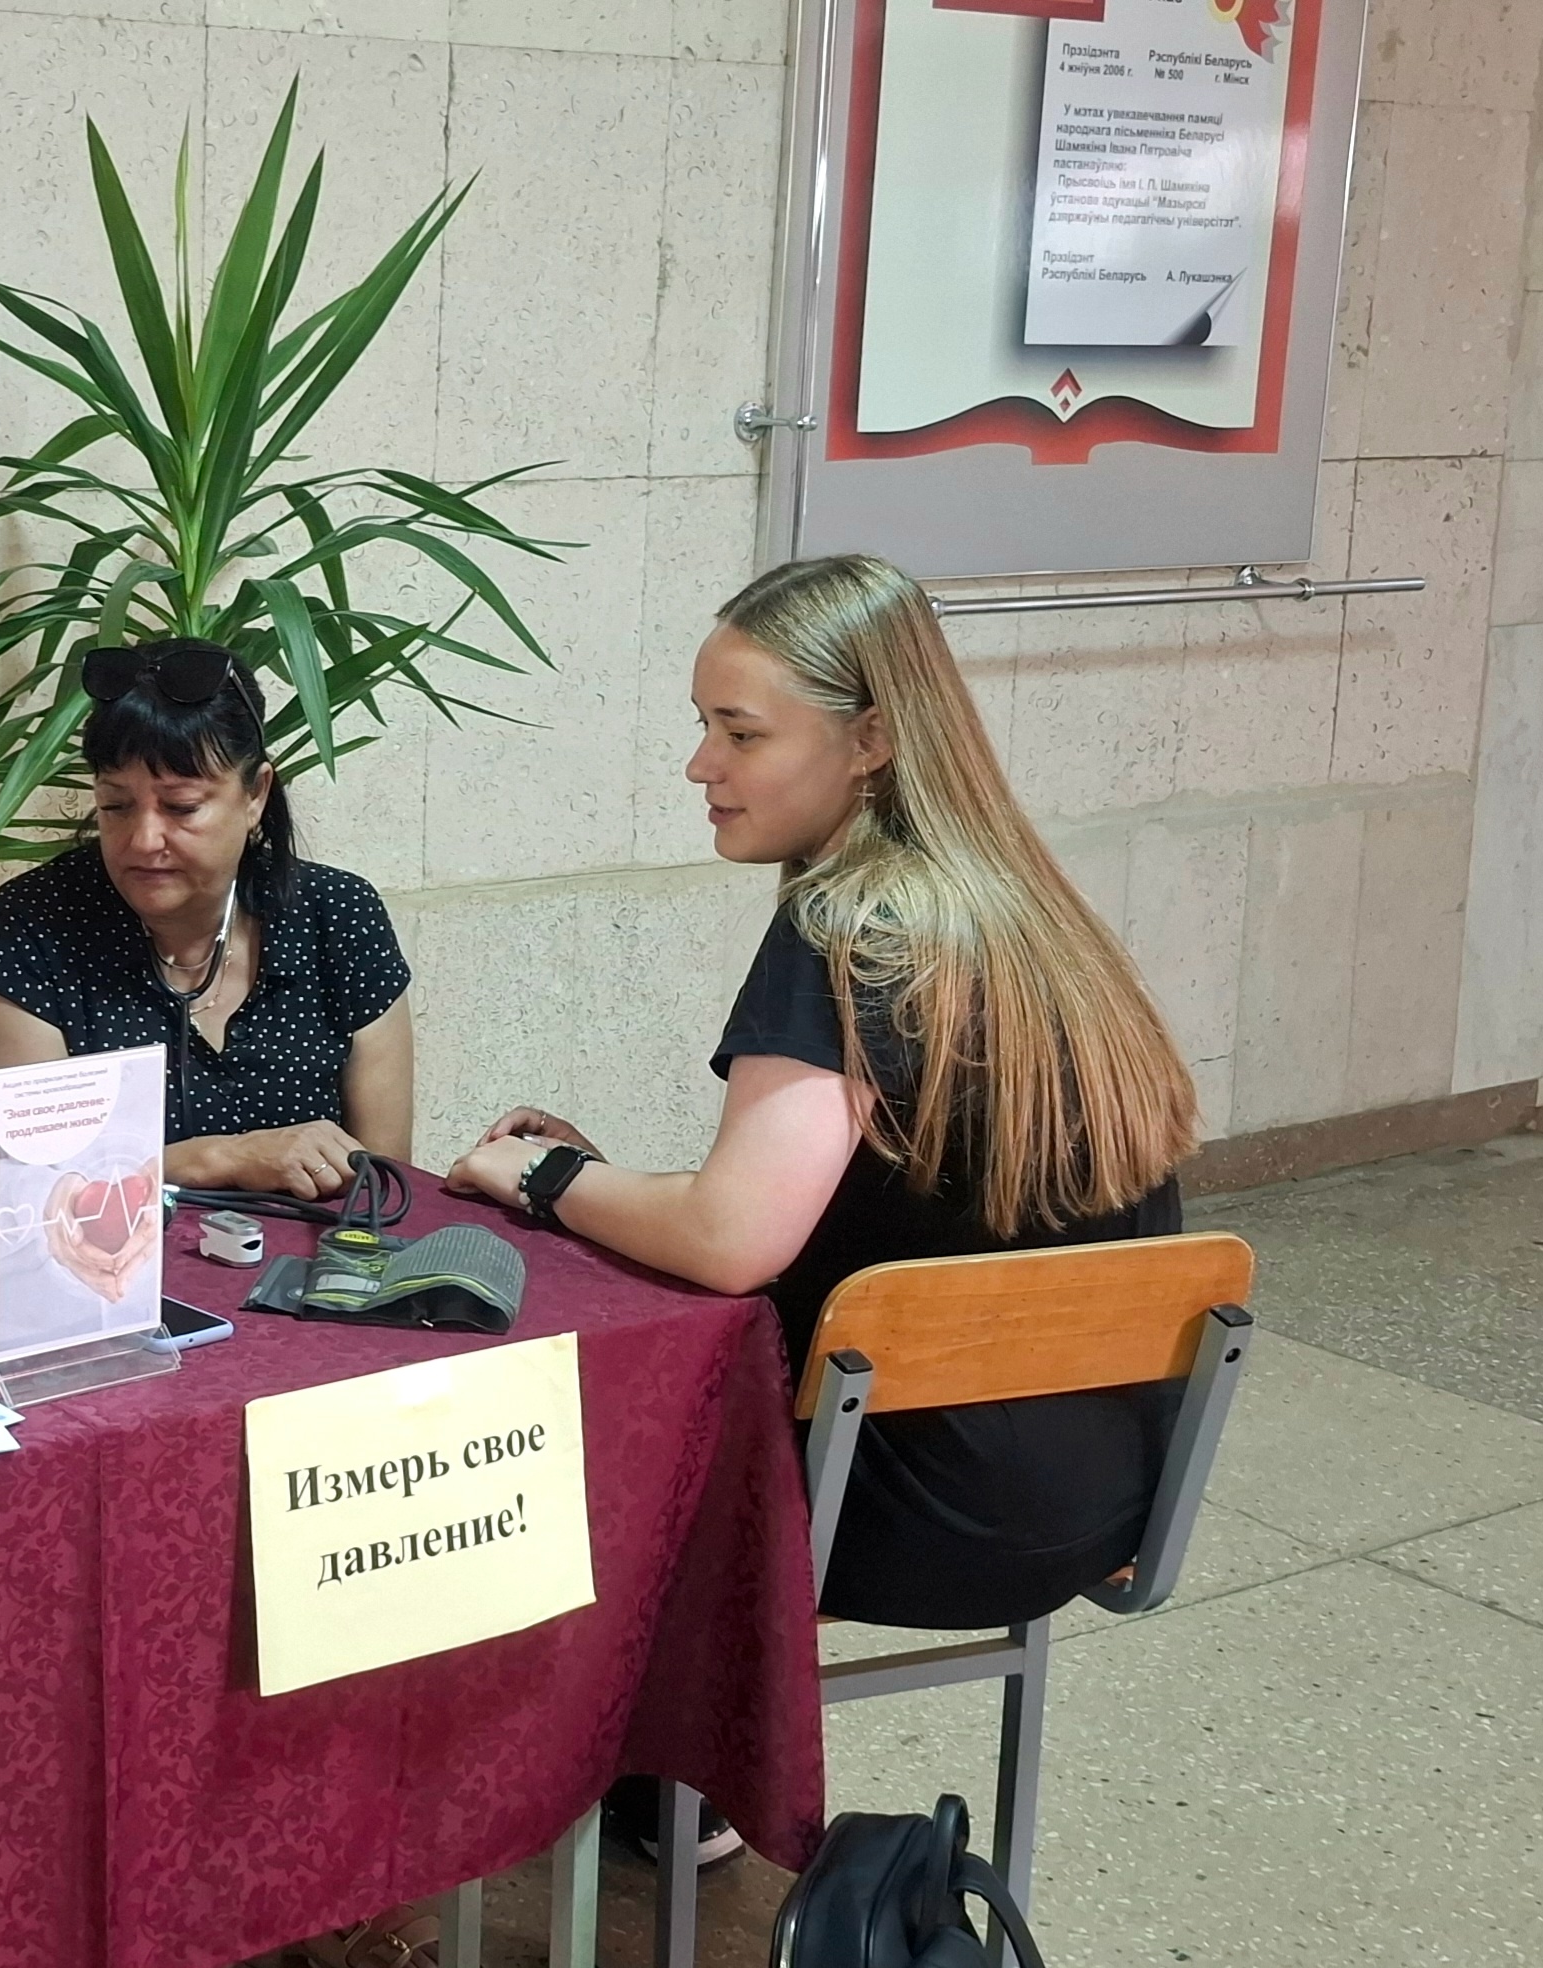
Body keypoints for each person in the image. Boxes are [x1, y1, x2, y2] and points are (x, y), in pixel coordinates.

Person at [446, 553, 1197, 1859]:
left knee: (507, 1462)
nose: (700, 765)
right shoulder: (1027, 910)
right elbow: (859, 1212)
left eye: (739, 733)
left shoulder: (846, 922)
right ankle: (675, 1778)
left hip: (890, 1508)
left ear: (870, 739)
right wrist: (624, 1187)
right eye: (703, 726)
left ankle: (630, 1780)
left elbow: (732, 1239)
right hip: (1099, 1500)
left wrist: (544, 1178)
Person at [0, 639, 413, 1200]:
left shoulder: (338, 915)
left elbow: (386, 1182)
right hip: (97, 1252)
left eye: (181, 807)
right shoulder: (30, 928)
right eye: (116, 805)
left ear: (255, 795)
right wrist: (220, 1158)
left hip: (311, 1251)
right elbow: (30, 1183)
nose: (143, 840)